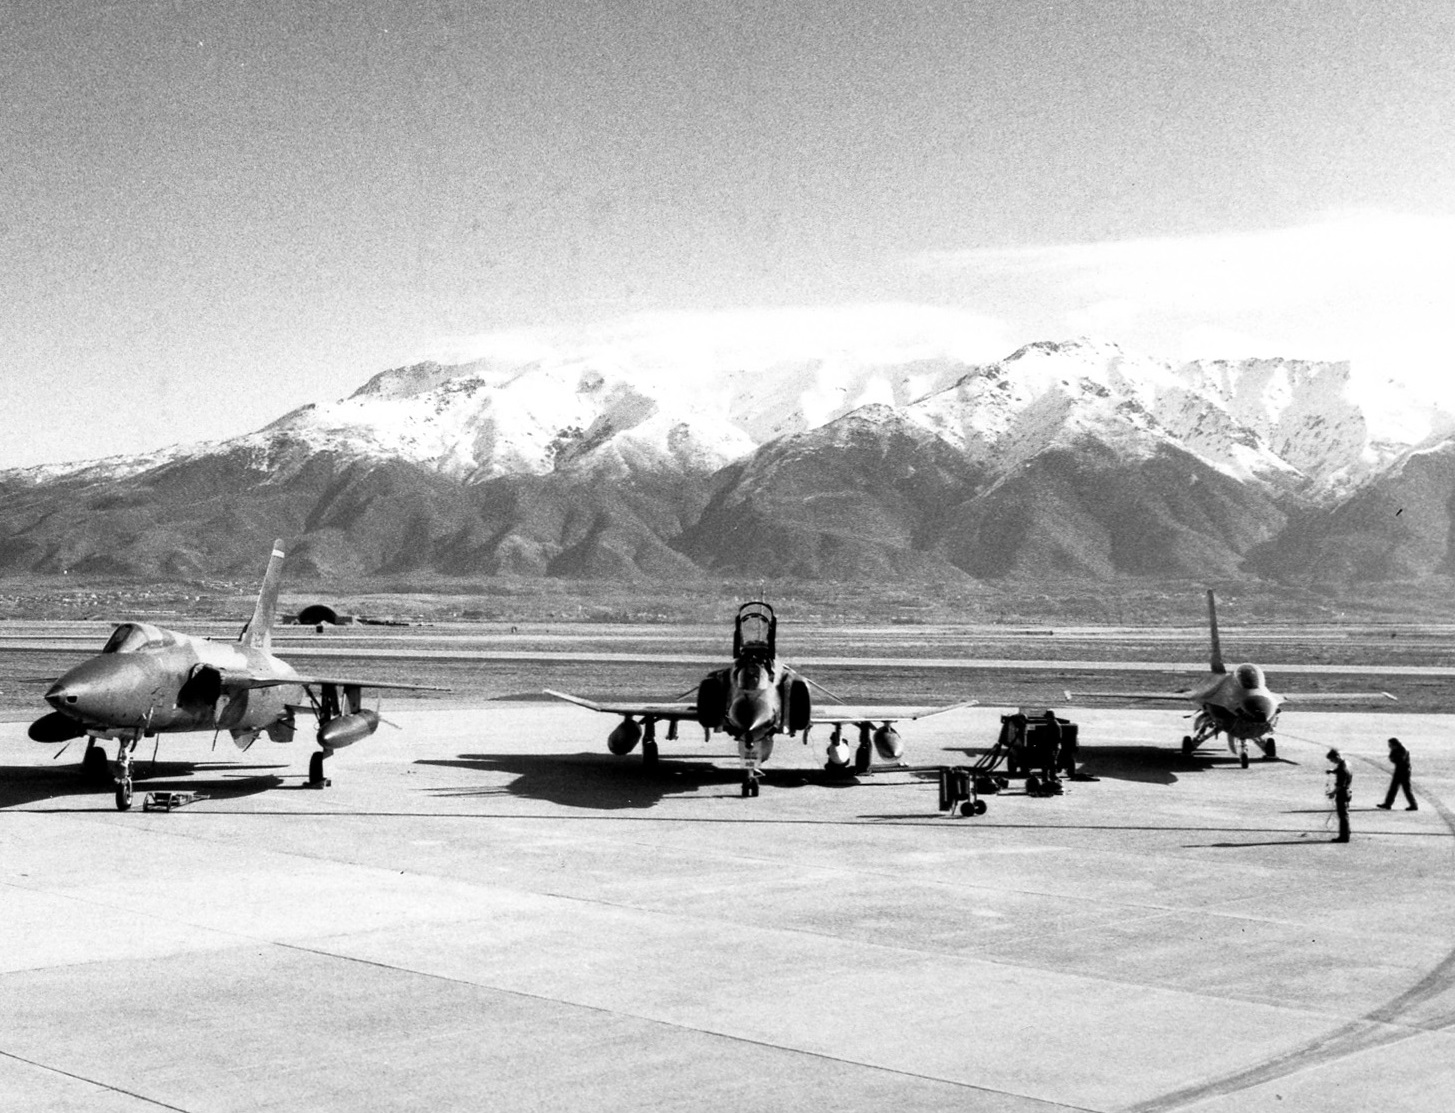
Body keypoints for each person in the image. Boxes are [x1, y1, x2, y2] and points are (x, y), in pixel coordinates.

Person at [1376, 737, 1417, 811]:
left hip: (1404, 772)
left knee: (1406, 789)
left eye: (1390, 745)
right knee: (1393, 788)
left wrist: (1394, 757)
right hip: (1399, 770)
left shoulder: (1402, 750)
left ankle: (1414, 805)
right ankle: (1388, 804)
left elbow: (1399, 760)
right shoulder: (1395, 750)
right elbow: (1392, 758)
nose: (1389, 746)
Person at [1327, 749, 1352, 843]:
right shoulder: (1346, 763)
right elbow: (1340, 770)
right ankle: (1347, 832)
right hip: (1348, 792)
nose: (1332, 762)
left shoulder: (1342, 769)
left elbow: (1340, 785)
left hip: (1342, 793)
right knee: (1345, 814)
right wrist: (1333, 771)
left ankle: (1344, 837)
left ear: (1336, 757)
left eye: (1332, 760)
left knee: (1342, 815)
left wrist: (1332, 793)